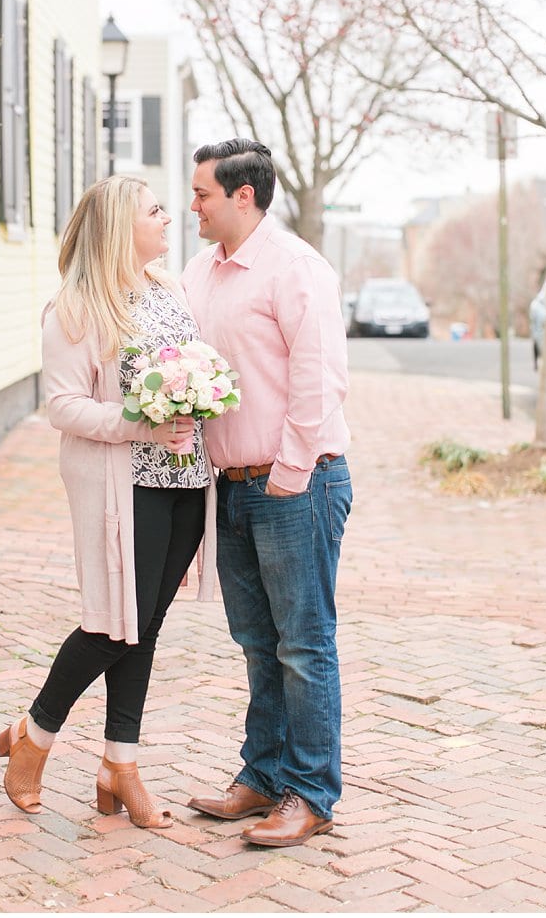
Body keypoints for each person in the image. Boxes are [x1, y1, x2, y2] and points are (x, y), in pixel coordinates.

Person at [0, 175, 218, 827]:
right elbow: (61, 406)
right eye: (154, 211)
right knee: (109, 624)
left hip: (182, 480)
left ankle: (119, 765)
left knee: (143, 625)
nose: (166, 218)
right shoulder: (74, 308)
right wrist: (140, 424)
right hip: (123, 483)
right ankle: (33, 738)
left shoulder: (168, 287)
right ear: (122, 226)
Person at [181, 138, 352, 847]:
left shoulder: (295, 268)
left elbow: (318, 380)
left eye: (201, 193)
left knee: (302, 644)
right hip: (228, 488)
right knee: (256, 641)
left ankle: (309, 793)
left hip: (295, 484)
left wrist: (287, 474)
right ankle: (260, 775)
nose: (191, 203)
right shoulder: (200, 269)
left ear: (242, 195)